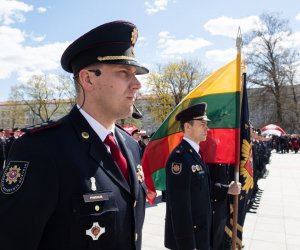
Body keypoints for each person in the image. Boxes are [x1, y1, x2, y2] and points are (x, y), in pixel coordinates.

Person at [0, 20, 148, 250]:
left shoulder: (129, 145)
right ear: (87, 79)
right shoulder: (41, 149)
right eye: (124, 73)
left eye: (136, 74)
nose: (137, 84)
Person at [164, 102, 213, 250]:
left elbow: (201, 190)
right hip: (190, 239)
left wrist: (226, 189)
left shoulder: (194, 154)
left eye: (206, 124)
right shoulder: (180, 158)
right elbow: (179, 207)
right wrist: (188, 245)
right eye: (202, 124)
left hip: (201, 233)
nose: (207, 128)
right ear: (187, 127)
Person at [209, 163, 241, 250]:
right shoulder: (206, 152)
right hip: (211, 208)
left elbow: (225, 177)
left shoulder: (222, 154)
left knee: (220, 243)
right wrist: (226, 189)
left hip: (222, 206)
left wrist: (229, 201)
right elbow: (204, 184)